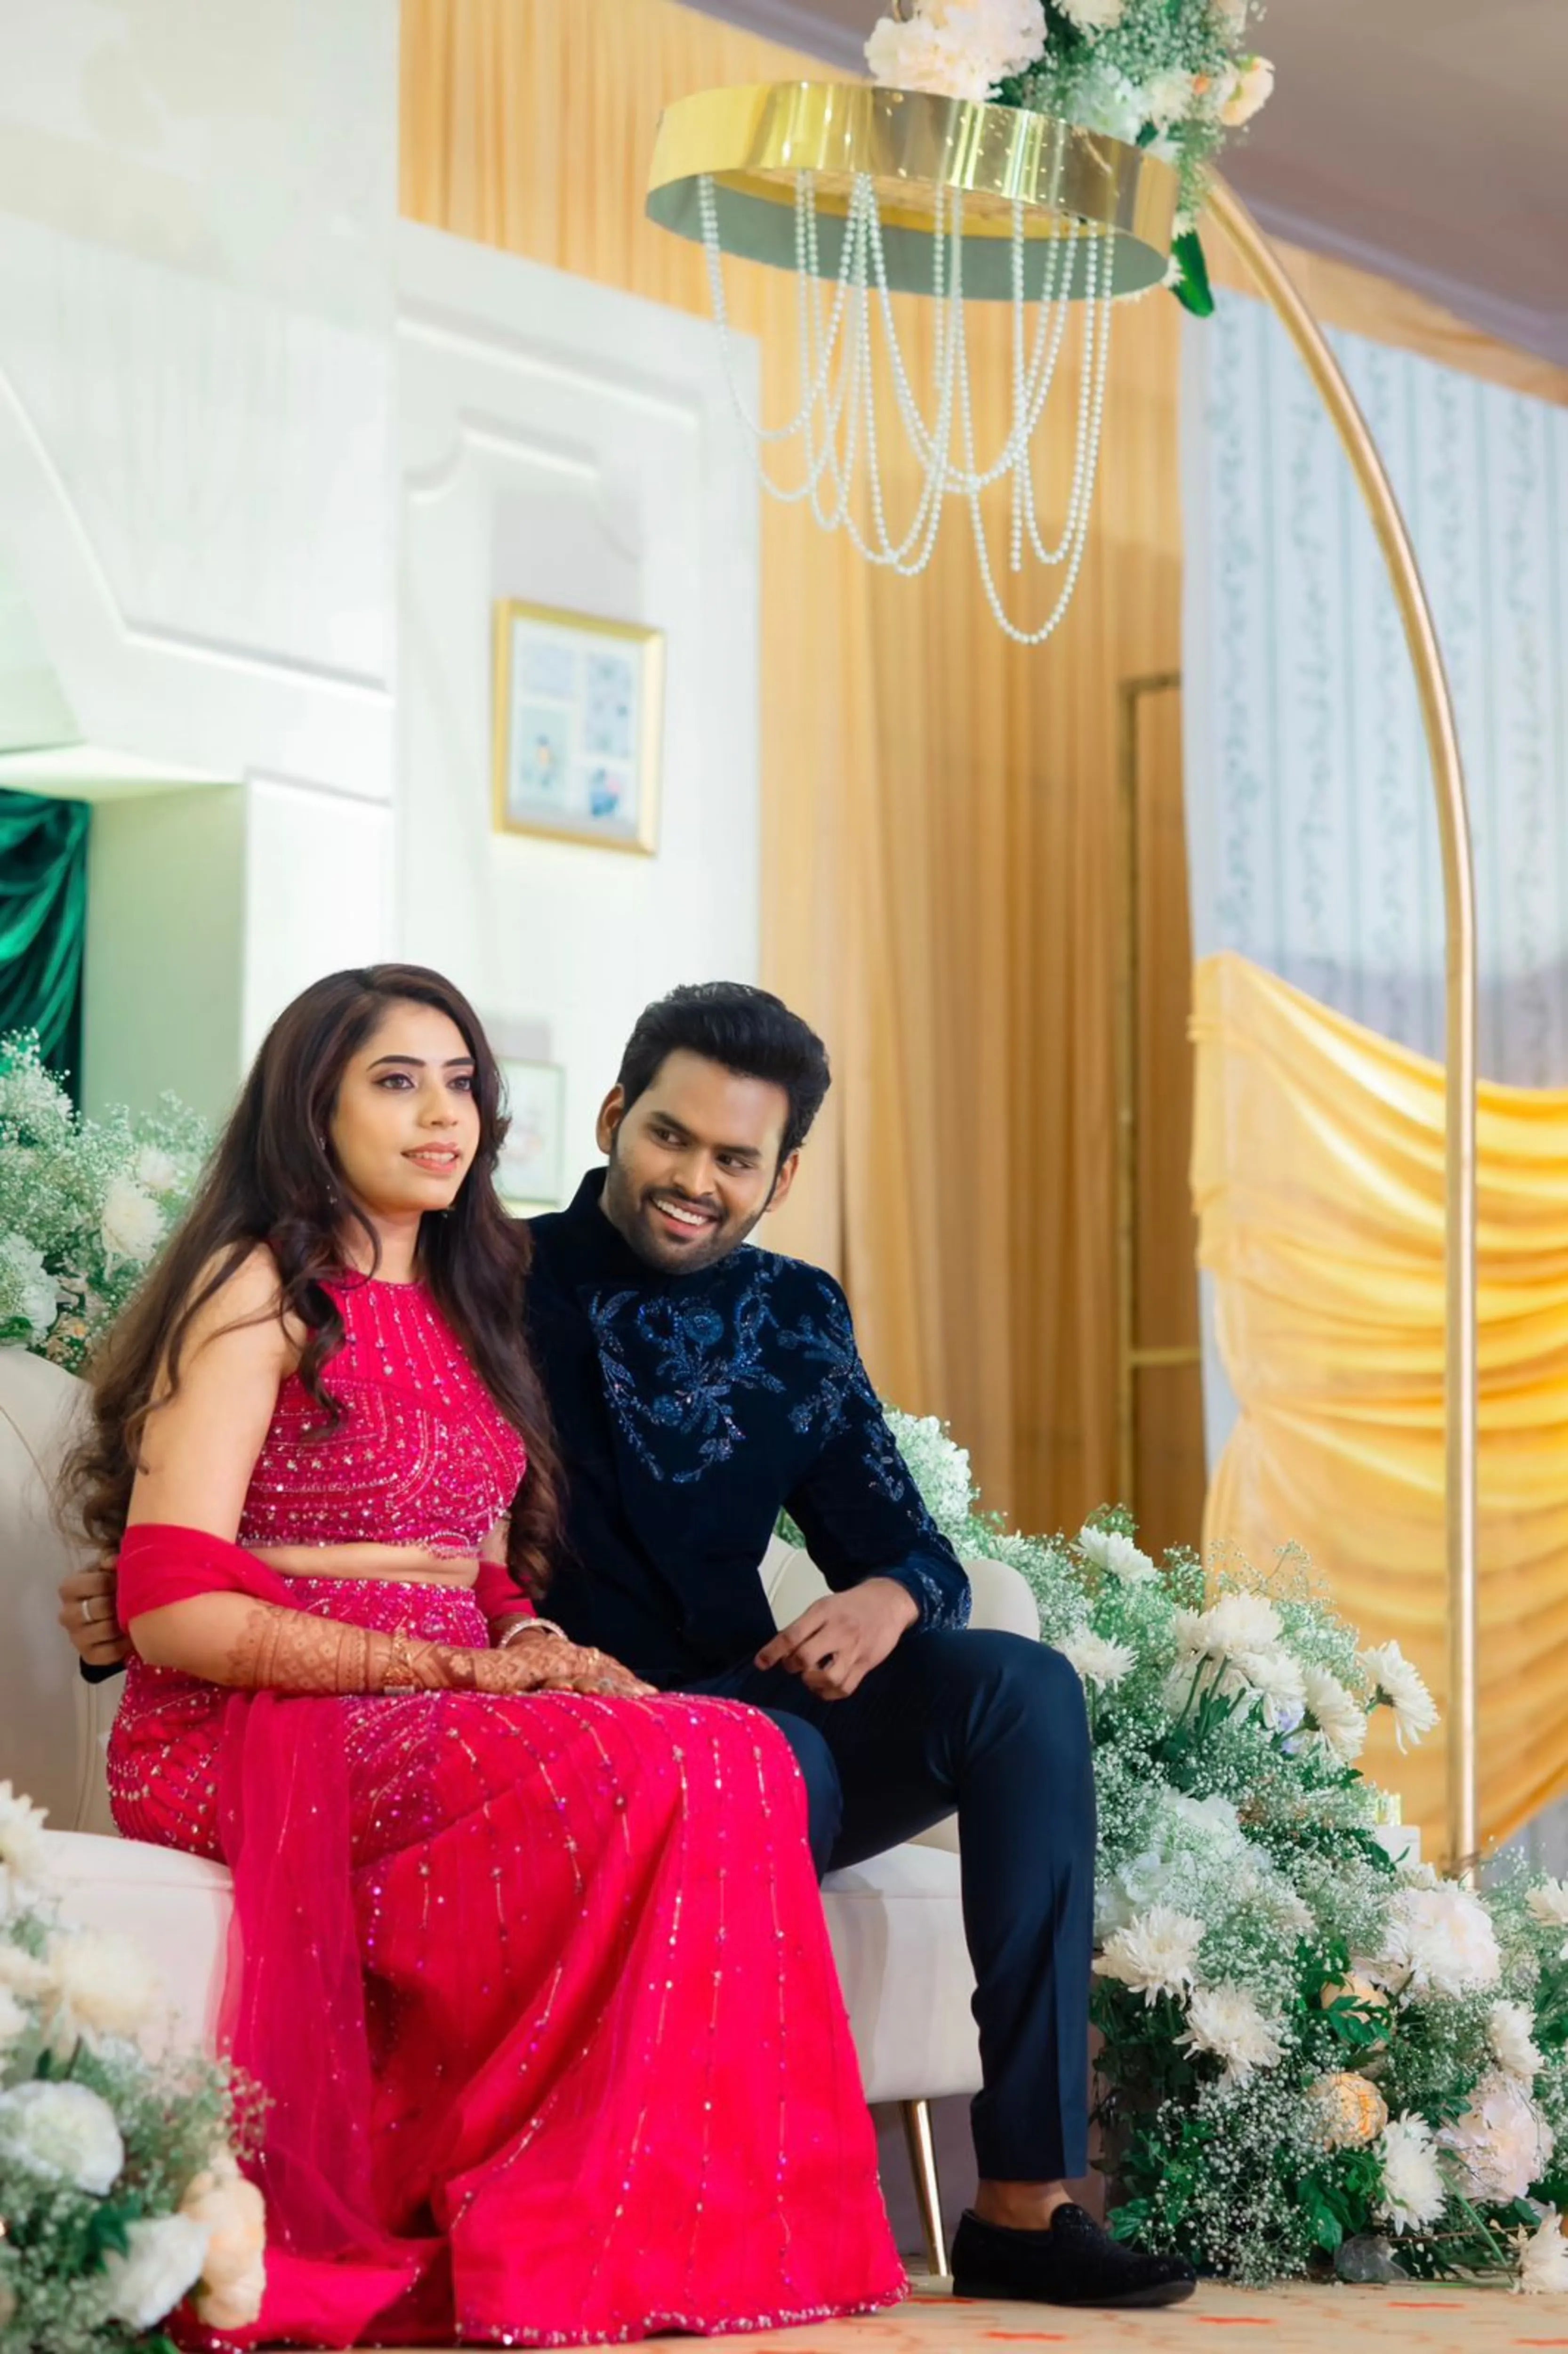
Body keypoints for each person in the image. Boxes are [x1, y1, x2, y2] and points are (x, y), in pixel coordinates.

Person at [63, 979, 1198, 2311]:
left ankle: (1026, 2198)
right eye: (671, 1138)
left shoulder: (788, 1313)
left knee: (1021, 1689)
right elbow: (288, 1504)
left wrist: (892, 1594)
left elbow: (901, 1542)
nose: (693, 1182)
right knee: (762, 1769)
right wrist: (146, 1596)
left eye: (734, 1160)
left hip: (709, 1691)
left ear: (781, 1177)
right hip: (561, 1721)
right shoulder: (493, 1272)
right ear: (611, 1118)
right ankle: (702, 2216)